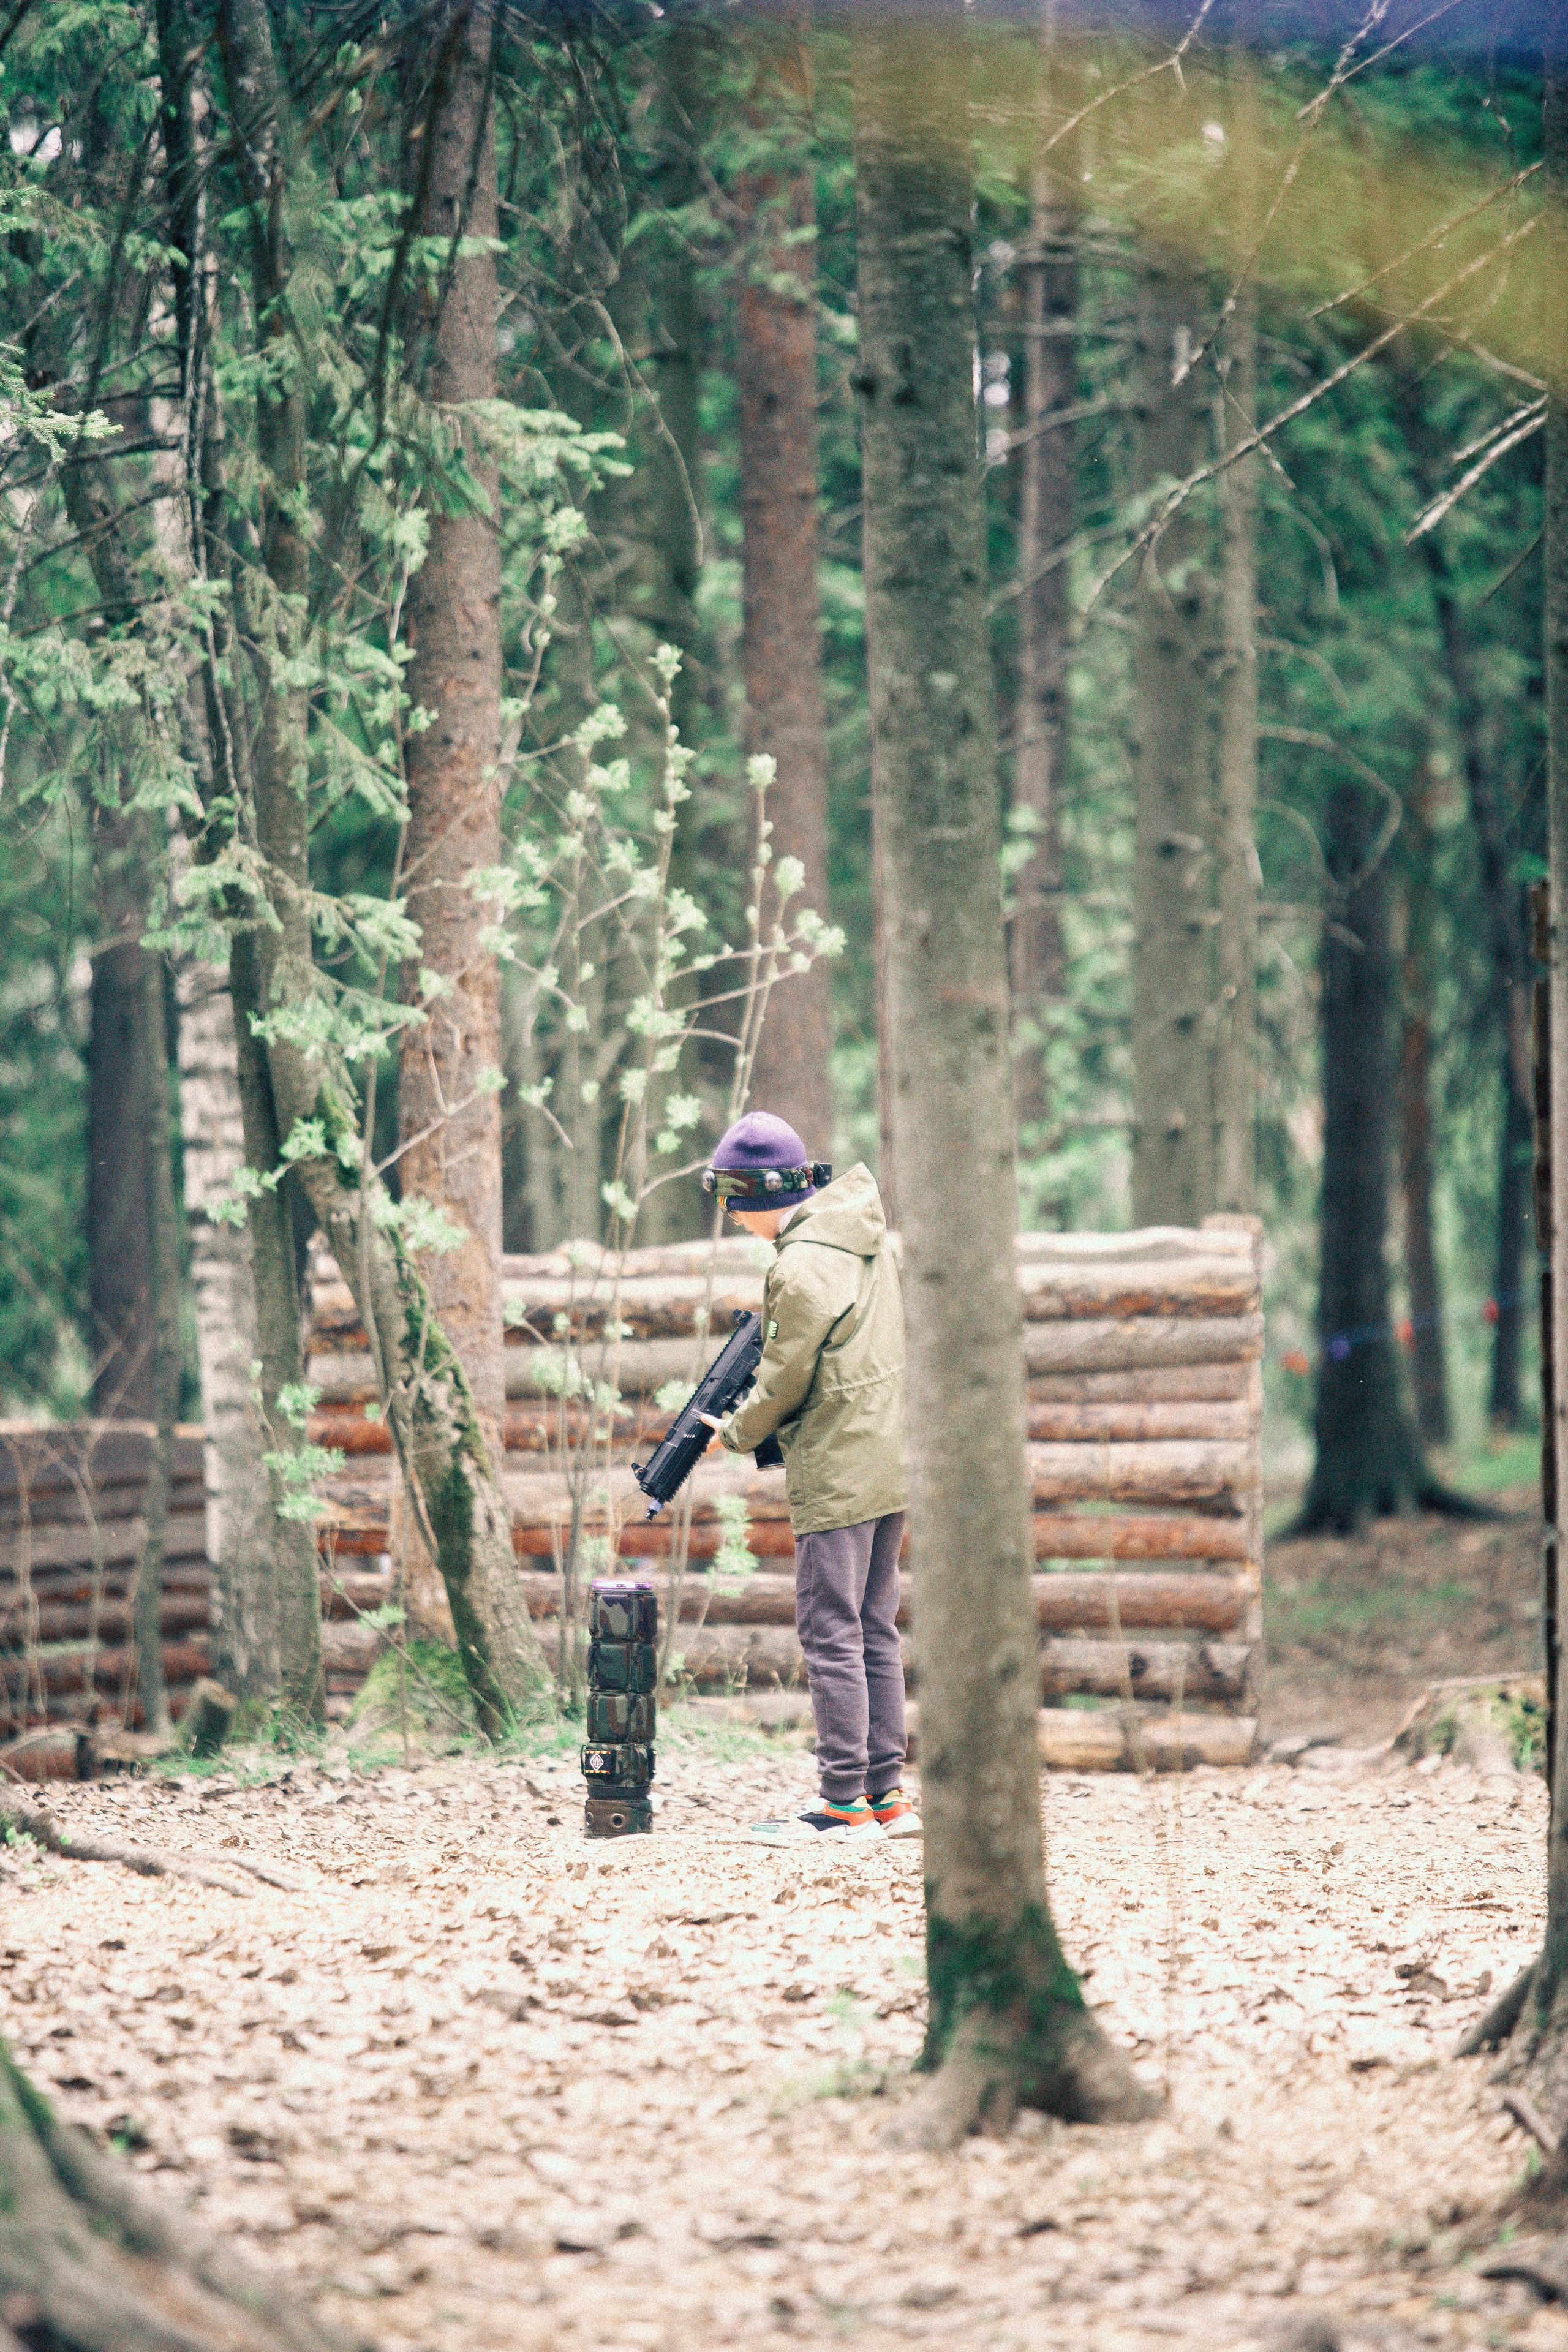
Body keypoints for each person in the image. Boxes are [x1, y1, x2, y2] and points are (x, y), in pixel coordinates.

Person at [696, 1111, 919, 1845]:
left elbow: (786, 1377)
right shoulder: (863, 1236)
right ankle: (886, 1795)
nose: (730, 1213)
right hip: (888, 1456)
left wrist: (730, 1431)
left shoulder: (797, 1265)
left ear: (758, 1192)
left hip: (839, 1466)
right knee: (872, 1627)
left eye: (731, 1195)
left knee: (829, 1631)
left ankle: (843, 1805)